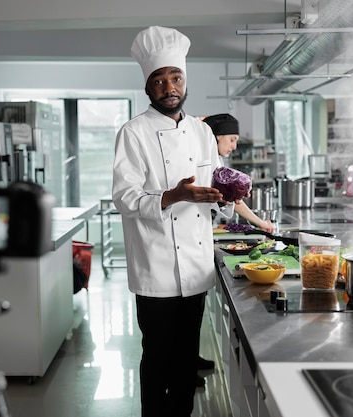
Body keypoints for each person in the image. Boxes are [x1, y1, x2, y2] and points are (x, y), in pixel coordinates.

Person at [111, 26, 236, 417]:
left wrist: (228, 196)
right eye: (160, 80)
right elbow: (125, 197)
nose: (169, 86)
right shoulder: (133, 133)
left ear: (185, 81)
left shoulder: (202, 132)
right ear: (148, 87)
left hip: (196, 267)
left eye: (176, 78)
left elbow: (217, 186)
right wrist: (174, 194)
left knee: (186, 360)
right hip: (156, 266)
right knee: (158, 358)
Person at [203, 113, 274, 233]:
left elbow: (231, 200)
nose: (234, 146)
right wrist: (261, 223)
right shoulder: (206, 160)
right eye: (232, 140)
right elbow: (235, 203)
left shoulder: (217, 160)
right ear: (218, 136)